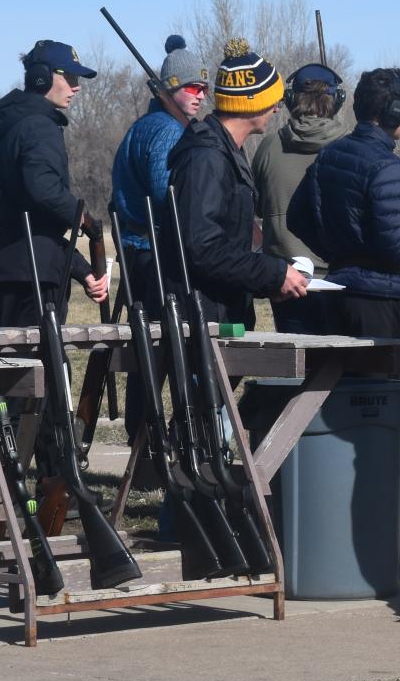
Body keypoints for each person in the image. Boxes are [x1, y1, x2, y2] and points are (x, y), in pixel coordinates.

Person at [287, 66, 400, 549]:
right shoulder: (389, 166)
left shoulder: (332, 156)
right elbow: (398, 249)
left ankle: (342, 519)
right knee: (385, 415)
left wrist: (340, 249)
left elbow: (296, 217)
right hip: (382, 302)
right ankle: (383, 522)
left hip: (338, 292)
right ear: (395, 113)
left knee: (341, 413)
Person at [109, 34, 209, 542]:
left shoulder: (149, 126)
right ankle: (156, 452)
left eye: (204, 86)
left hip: (142, 259)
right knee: (162, 359)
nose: (200, 94)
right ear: (169, 89)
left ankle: (150, 450)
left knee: (151, 358)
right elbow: (166, 195)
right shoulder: (166, 133)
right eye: (191, 86)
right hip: (153, 259)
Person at [164, 38, 309, 328]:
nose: (277, 109)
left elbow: (229, 245)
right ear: (252, 102)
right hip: (202, 319)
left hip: (222, 311)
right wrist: (271, 273)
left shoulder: (227, 151)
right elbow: (203, 249)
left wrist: (269, 281)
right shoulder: (206, 157)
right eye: (272, 100)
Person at [0, 39, 110, 329]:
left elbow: (36, 224)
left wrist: (82, 270)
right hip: (35, 270)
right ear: (42, 77)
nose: (77, 87)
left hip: (8, 262)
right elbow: (44, 190)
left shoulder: (13, 125)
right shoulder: (40, 126)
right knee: (42, 368)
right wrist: (83, 219)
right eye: (71, 77)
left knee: (19, 367)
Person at [250, 63, 346, 335]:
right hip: (340, 278)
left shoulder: (269, 146)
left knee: (296, 369)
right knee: (339, 369)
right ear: (337, 101)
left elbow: (257, 205)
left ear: (290, 100)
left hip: (285, 280)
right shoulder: (352, 148)